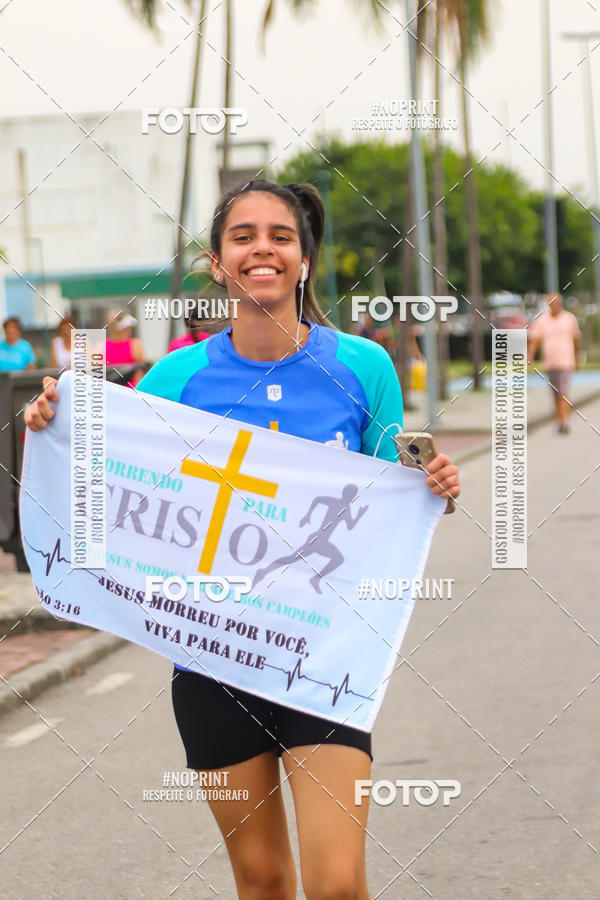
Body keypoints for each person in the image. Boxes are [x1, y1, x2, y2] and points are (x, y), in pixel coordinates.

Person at [24, 179, 460, 899]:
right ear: (220, 263)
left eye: (281, 236)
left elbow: (392, 500)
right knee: (261, 882)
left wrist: (435, 486)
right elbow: (104, 474)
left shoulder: (363, 367)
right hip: (211, 658)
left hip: (324, 659)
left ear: (306, 260)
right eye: (244, 236)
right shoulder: (174, 378)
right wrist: (54, 423)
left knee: (339, 883)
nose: (263, 248)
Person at [527, 293, 580, 434]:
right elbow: (535, 339)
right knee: (556, 394)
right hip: (550, 362)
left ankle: (564, 422)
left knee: (563, 392)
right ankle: (559, 419)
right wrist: (530, 355)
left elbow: (576, 340)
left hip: (566, 361)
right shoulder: (543, 320)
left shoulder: (569, 318)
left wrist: (577, 358)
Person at [105, 310, 147, 387]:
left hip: (112, 391)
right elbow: (142, 374)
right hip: (129, 392)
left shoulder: (101, 346)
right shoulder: (135, 345)